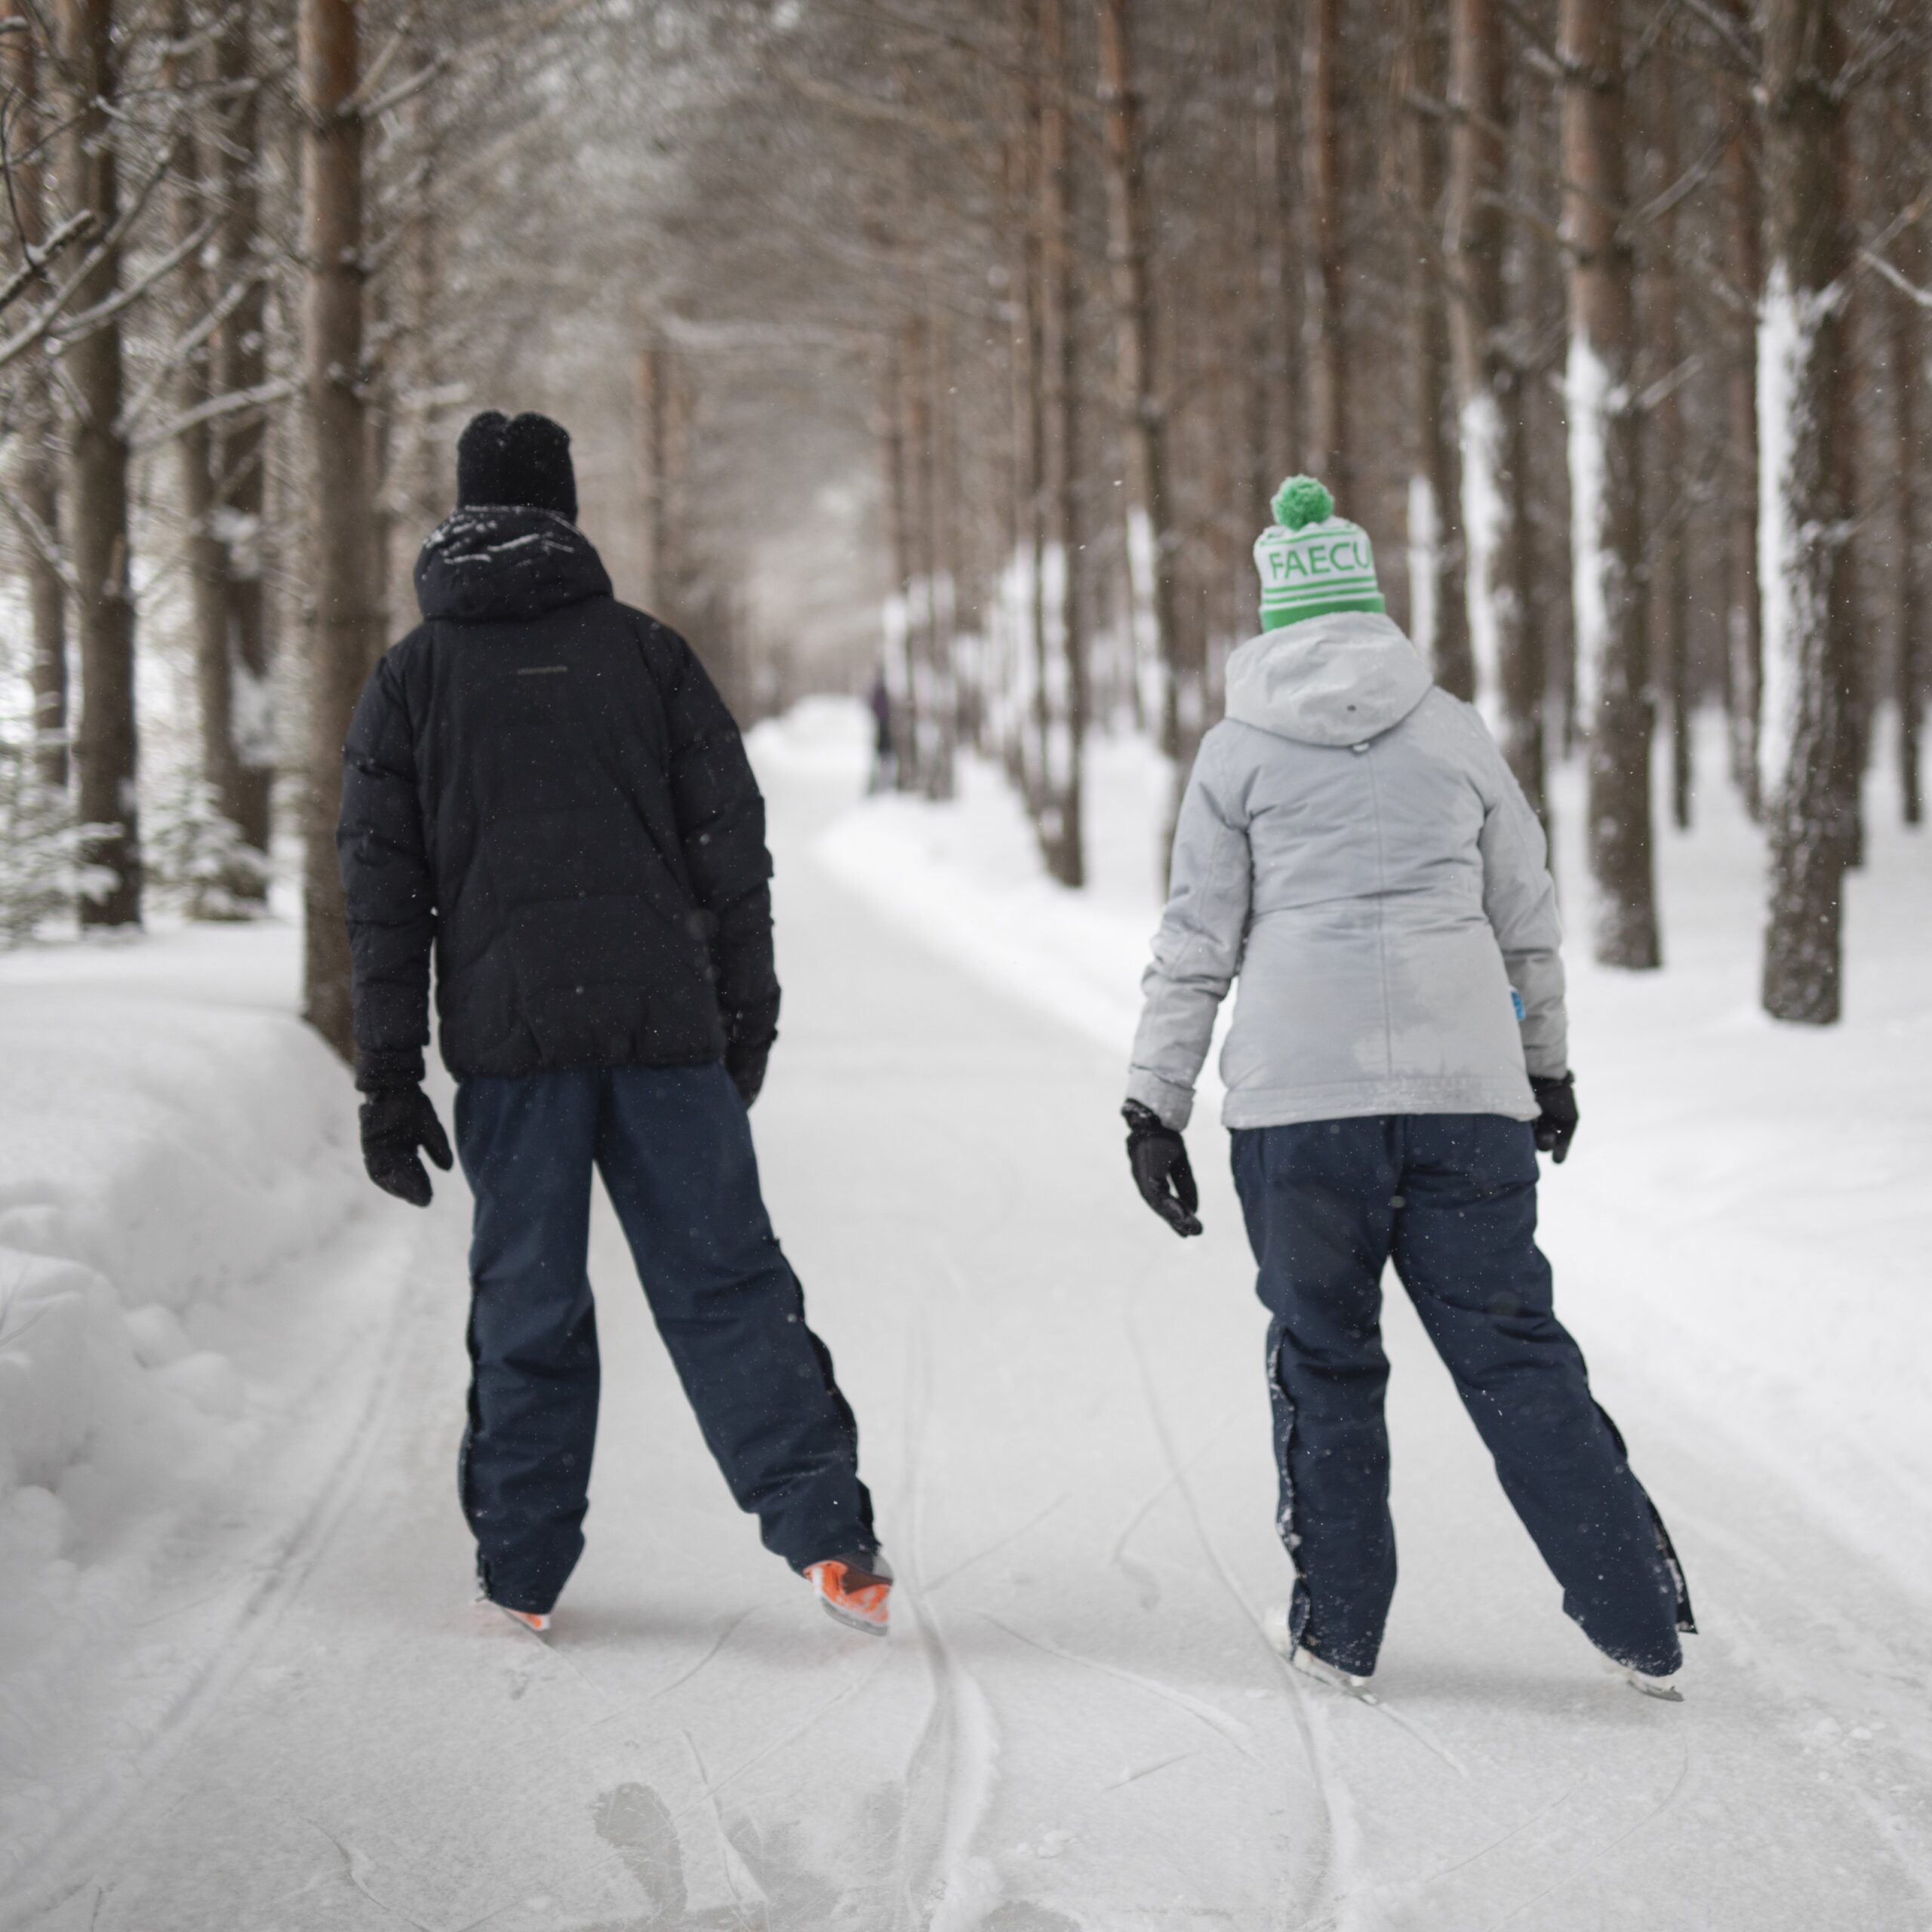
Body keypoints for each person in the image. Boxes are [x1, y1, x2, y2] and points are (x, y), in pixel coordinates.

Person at [1121, 475, 1694, 1700]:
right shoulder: (1455, 731)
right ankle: (1638, 1623)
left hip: (1298, 1107)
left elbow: (1196, 938)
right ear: (1373, 605)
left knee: (1326, 1359)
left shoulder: (1236, 752)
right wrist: (1544, 1062)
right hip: (1462, 1098)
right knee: (1514, 1352)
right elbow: (1524, 916)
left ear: (1276, 613)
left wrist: (1153, 1102)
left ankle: (1342, 1636)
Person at [337, 411, 890, 1638]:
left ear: (465, 514)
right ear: (566, 515)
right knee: (729, 1286)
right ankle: (832, 1542)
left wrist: (388, 1076)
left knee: (529, 1300)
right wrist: (745, 1024)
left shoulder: (413, 679)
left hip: (512, 1055)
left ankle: (521, 1573)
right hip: (663, 1043)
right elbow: (730, 855)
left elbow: (382, 896)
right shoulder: (646, 656)